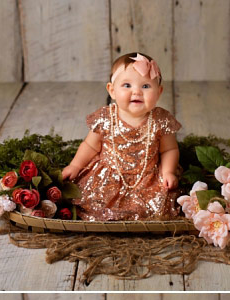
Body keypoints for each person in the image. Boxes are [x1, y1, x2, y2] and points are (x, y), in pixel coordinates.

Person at [61, 52, 181, 220]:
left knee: (159, 203)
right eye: (127, 85)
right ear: (112, 90)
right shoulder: (105, 118)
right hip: (107, 177)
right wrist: (75, 166)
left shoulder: (160, 120)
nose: (137, 92)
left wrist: (168, 172)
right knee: (95, 202)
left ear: (159, 92)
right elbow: (89, 146)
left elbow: (169, 149)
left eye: (146, 86)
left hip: (148, 178)